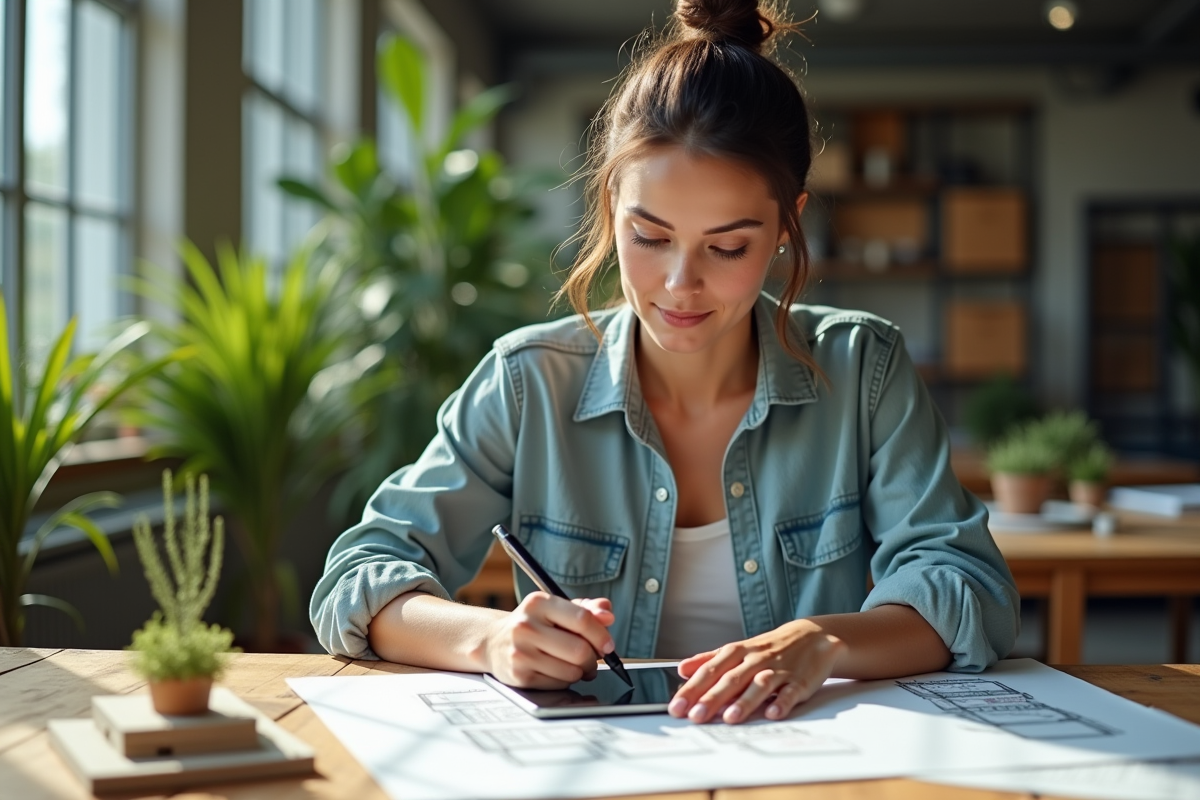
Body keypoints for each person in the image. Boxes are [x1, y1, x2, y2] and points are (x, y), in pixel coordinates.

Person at [311, 0, 1019, 726]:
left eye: (729, 246)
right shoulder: (528, 381)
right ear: (612, 203)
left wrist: (826, 640)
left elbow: (969, 588)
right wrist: (491, 638)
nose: (681, 285)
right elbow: (359, 578)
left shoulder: (863, 369)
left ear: (787, 224)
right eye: (649, 236)